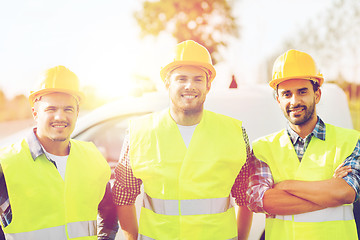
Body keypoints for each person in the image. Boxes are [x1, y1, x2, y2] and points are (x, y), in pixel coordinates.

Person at [112, 40, 253, 240]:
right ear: (167, 83)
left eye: (198, 79)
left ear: (208, 85)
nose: (190, 86)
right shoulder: (139, 132)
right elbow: (123, 196)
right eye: (181, 78)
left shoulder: (235, 132)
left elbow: (245, 197)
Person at [247, 49, 360, 240]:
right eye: (286, 94)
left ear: (317, 94)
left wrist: (284, 186)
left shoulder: (350, 141)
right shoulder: (262, 148)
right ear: (278, 100)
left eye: (302, 92)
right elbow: (263, 201)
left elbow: (346, 192)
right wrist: (329, 194)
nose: (294, 101)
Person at [0, 66, 118, 240]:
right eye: (51, 109)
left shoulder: (93, 158)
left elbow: (109, 217)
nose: (60, 117)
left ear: (77, 113)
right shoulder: (7, 164)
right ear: (35, 113)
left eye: (68, 109)